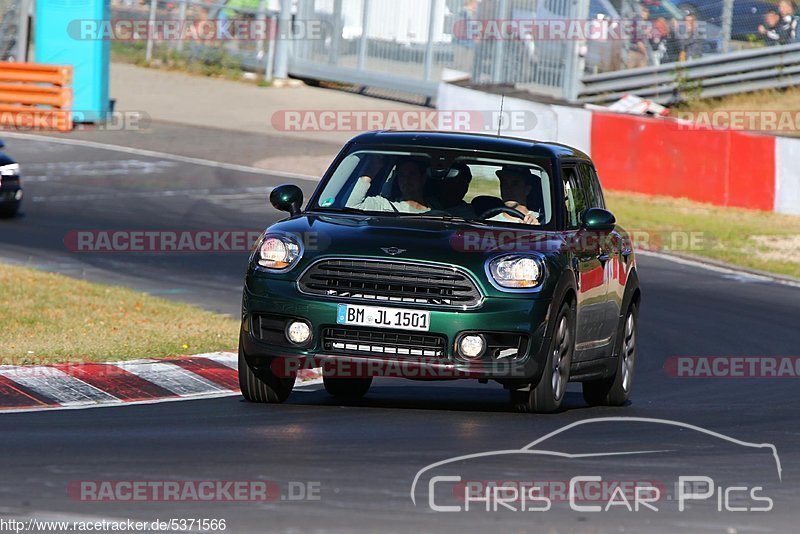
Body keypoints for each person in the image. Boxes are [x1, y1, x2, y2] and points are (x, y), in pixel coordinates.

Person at [346, 157, 431, 213]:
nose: (406, 179)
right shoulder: (384, 207)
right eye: (402, 175)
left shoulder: (438, 214)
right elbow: (351, 206)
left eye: (412, 174)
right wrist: (371, 171)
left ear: (423, 178)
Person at [626, 4, 651, 69]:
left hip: (633, 52)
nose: (647, 14)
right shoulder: (639, 21)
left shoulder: (637, 20)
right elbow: (638, 42)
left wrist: (646, 32)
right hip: (637, 53)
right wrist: (646, 54)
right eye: (645, 11)